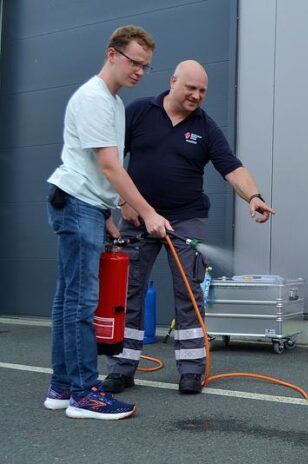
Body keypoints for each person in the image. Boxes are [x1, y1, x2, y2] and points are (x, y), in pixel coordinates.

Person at [103, 60, 275, 394]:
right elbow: (110, 159)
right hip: (138, 217)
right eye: (190, 88)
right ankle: (121, 368)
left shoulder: (206, 128)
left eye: (202, 91)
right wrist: (123, 202)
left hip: (186, 219)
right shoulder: (139, 112)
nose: (196, 95)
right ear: (173, 81)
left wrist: (253, 196)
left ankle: (191, 369)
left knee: (189, 293)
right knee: (129, 291)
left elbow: (232, 167)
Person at [44, 25, 172, 420]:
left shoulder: (114, 103)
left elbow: (100, 171)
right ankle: (85, 394)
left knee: (68, 299)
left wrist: (110, 213)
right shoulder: (95, 99)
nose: (139, 71)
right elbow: (109, 165)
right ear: (112, 54)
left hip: (85, 206)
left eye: (146, 66)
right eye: (134, 62)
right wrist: (146, 210)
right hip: (76, 203)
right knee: (81, 302)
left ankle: (62, 387)